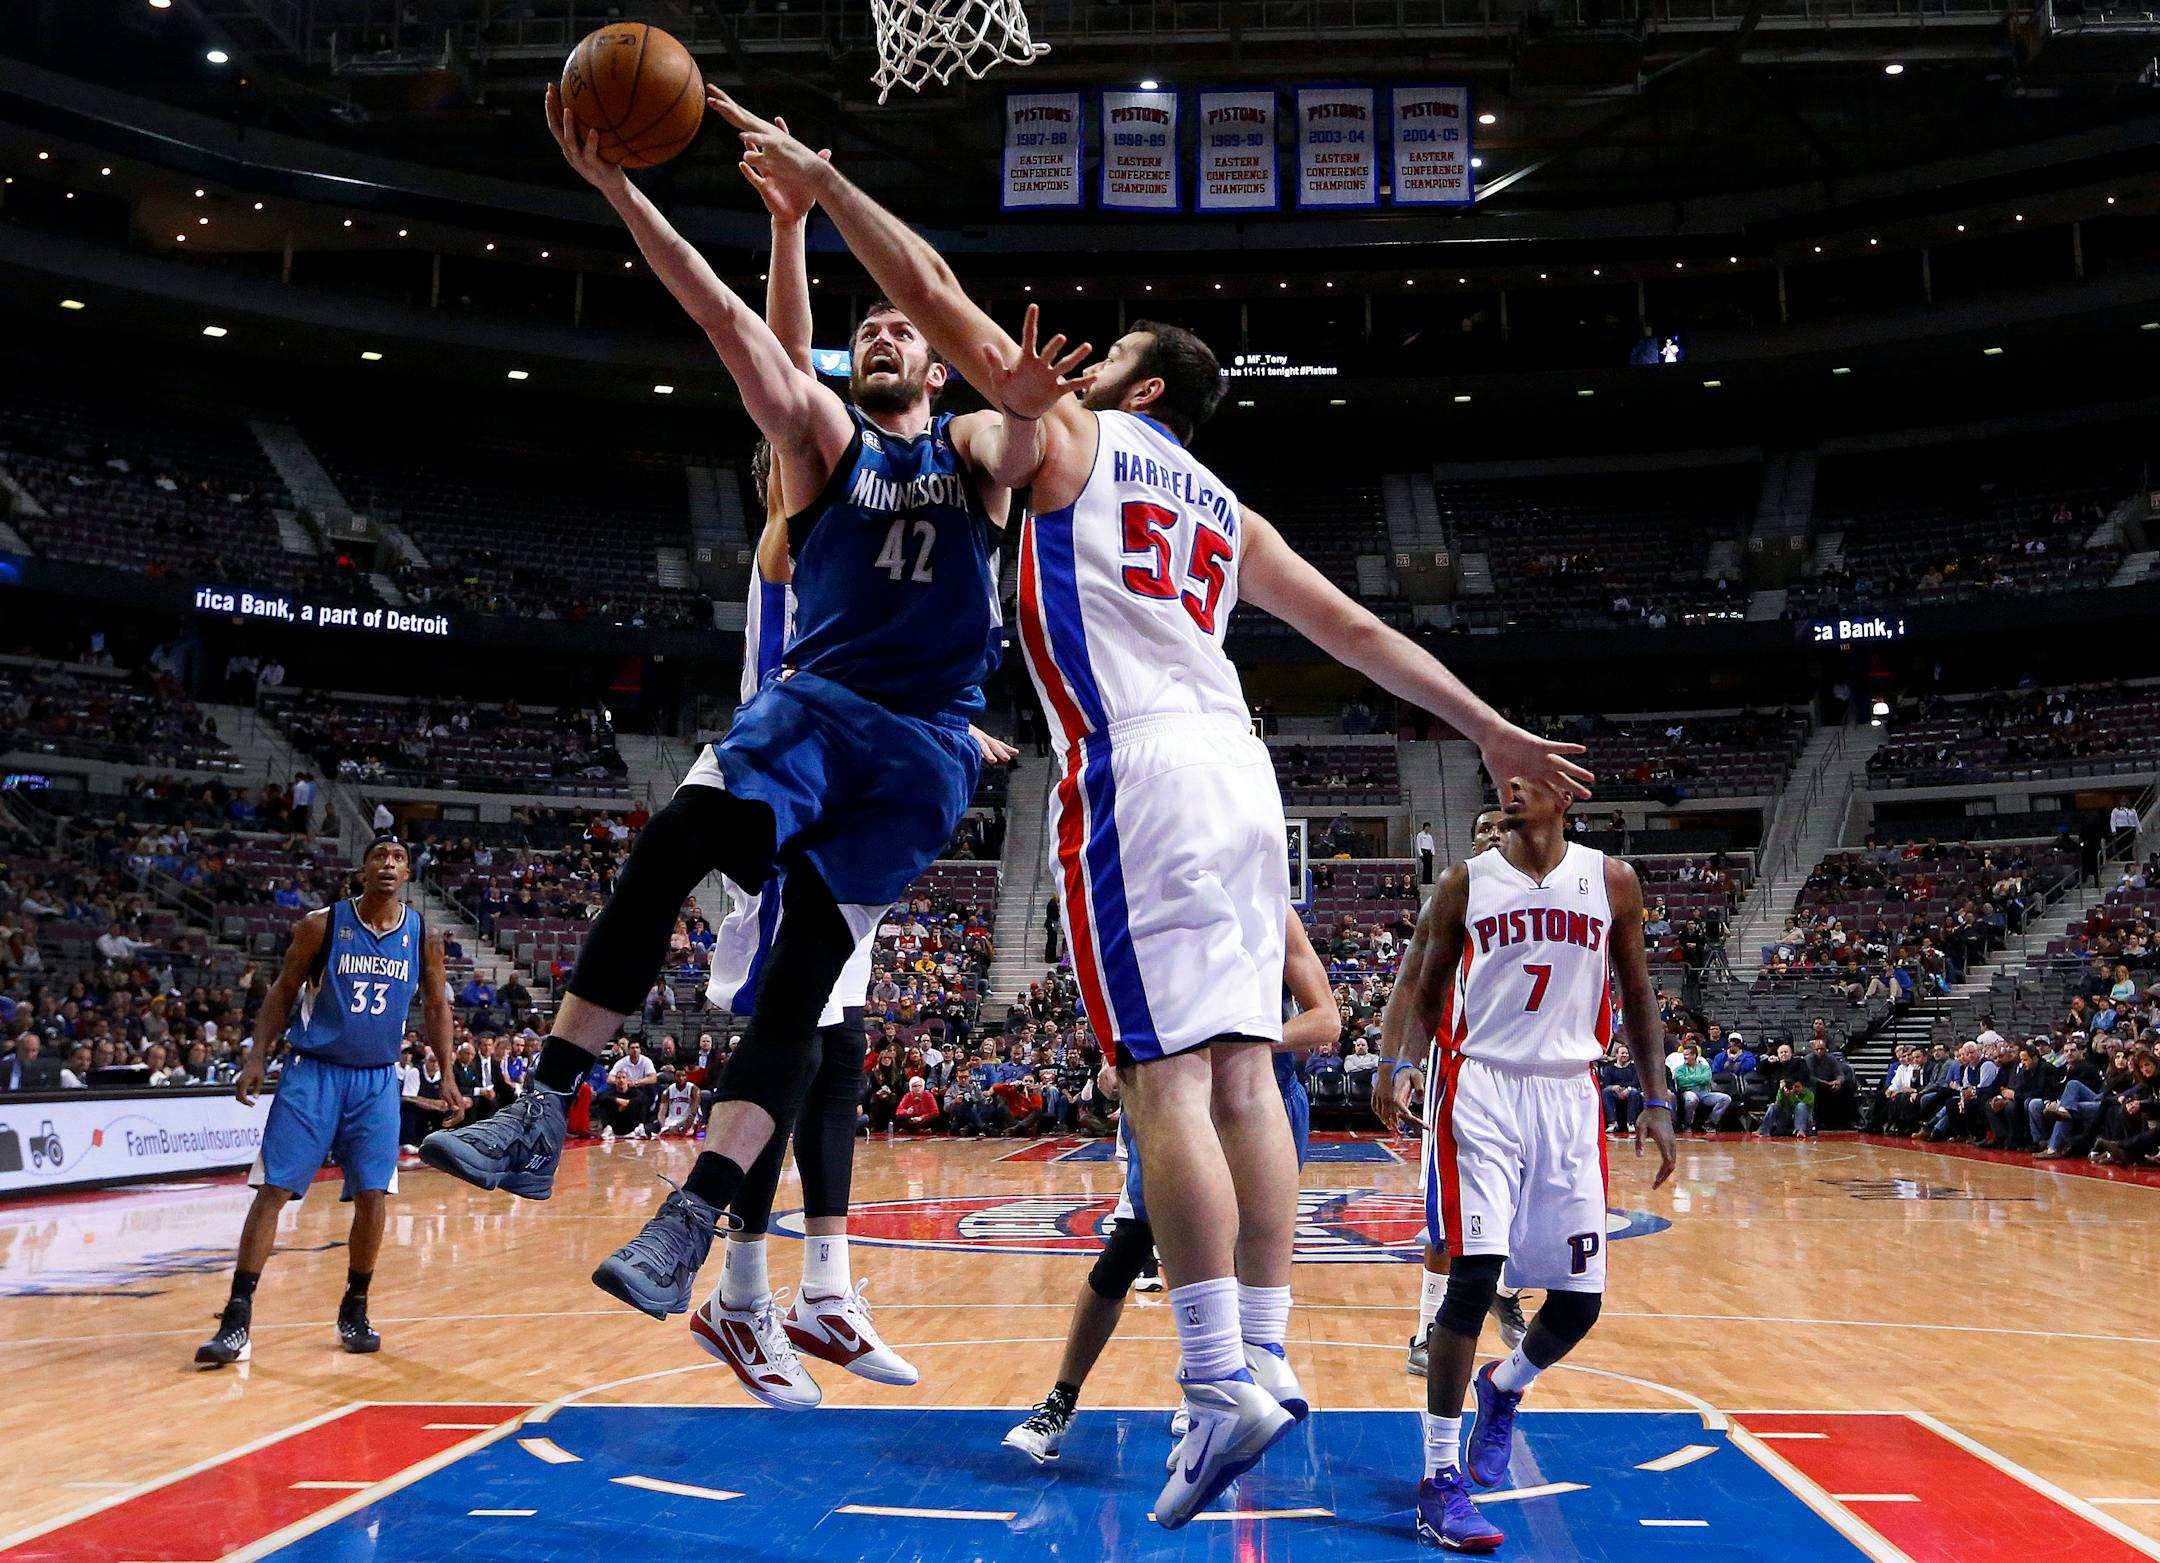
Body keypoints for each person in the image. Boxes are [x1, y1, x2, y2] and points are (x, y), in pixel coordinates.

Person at [713, 90, 1593, 1530]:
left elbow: (930, 295)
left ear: (1134, 390)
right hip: (1244, 766)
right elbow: (1364, 635)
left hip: (1138, 766)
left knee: (1163, 1085)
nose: (1073, 361)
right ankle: (1260, 1346)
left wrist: (827, 186)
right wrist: (1488, 725)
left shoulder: (1071, 436)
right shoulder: (1224, 505)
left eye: (1103, 355)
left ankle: (1209, 1377)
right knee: (1245, 1072)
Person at [420, 85, 1044, 1341]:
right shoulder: (822, 446)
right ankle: (546, 1107)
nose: (880, 336)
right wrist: (622, 192)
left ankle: (694, 1229)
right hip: (817, 710)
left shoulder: (975, 449)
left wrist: (1020, 393)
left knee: (803, 989)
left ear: (932, 359)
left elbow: (1021, 434)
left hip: (924, 750)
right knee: (670, 846)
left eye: (900, 330)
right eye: (861, 329)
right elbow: (721, 315)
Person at [1373, 777, 1674, 1552]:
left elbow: (1636, 990)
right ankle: (1439, 1479)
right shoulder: (1465, 882)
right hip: (1482, 1088)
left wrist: (1656, 1094)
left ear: (1564, 797)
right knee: (1471, 1280)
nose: (1508, 787)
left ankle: (1503, 1387)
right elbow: (1419, 978)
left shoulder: (1611, 880)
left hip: (1570, 1097)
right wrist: (1396, 1061)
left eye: (1525, 779)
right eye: (1500, 776)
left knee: (1578, 1305)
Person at [1002, 913, 1341, 1465]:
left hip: (1259, 1102)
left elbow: (1325, 1020)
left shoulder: (1271, 909)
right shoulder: (1154, 899)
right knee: (1123, 1255)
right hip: (1174, 1106)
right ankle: (1060, 1403)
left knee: (1235, 1253)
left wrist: (1236, 1046)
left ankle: (1217, 1392)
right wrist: (1120, 1061)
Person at [195, 838, 457, 1367]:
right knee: (274, 1189)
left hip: (378, 1080)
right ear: (363, 868)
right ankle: (237, 1319)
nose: (388, 864)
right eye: (379, 855)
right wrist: (255, 1057)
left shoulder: (422, 935)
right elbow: (284, 989)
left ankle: (355, 1307)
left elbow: (433, 1003)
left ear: (408, 873)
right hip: (312, 1073)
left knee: (373, 1195)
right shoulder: (323, 923)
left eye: (398, 858)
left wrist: (448, 1071)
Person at [1408, 807, 1530, 1379]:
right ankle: (1428, 1327)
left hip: (1532, 1077)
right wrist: (1397, 1062)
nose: (1489, 838)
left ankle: (1501, 1288)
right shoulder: (1450, 901)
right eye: (1480, 830)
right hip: (1459, 1069)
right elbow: (1411, 986)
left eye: (1499, 829)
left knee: (1519, 1212)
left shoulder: (1544, 903)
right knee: (1444, 1219)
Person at [1416, 821, 1437, 885]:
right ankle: (1425, 881)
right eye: (1427, 827)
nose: (1428, 829)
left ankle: (1429, 880)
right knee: (1426, 866)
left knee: (1430, 867)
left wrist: (1433, 852)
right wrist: (1420, 854)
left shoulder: (1429, 836)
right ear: (1425, 827)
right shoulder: (1420, 835)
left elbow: (1432, 844)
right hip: (1423, 851)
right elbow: (1418, 845)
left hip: (1429, 852)